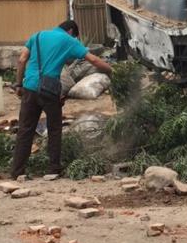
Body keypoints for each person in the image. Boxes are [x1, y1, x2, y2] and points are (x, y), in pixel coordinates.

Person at [10, 20, 111, 179]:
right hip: (49, 90)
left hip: (29, 88)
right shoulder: (68, 40)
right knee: (54, 129)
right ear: (71, 31)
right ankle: (53, 169)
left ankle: (17, 172)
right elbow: (94, 60)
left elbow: (22, 59)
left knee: (25, 130)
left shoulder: (37, 36)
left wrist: (18, 84)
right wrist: (115, 70)